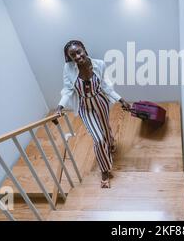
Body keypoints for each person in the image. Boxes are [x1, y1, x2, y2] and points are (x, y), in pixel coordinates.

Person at [56, 40, 130, 188]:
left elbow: (105, 86)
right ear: (69, 57)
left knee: (104, 126)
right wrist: (60, 106)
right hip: (85, 106)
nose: (77, 56)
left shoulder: (99, 64)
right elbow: (68, 89)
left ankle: (111, 143)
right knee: (98, 138)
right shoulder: (68, 68)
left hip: (100, 102)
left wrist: (121, 100)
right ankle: (104, 170)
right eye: (72, 55)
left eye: (79, 52)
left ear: (84, 49)